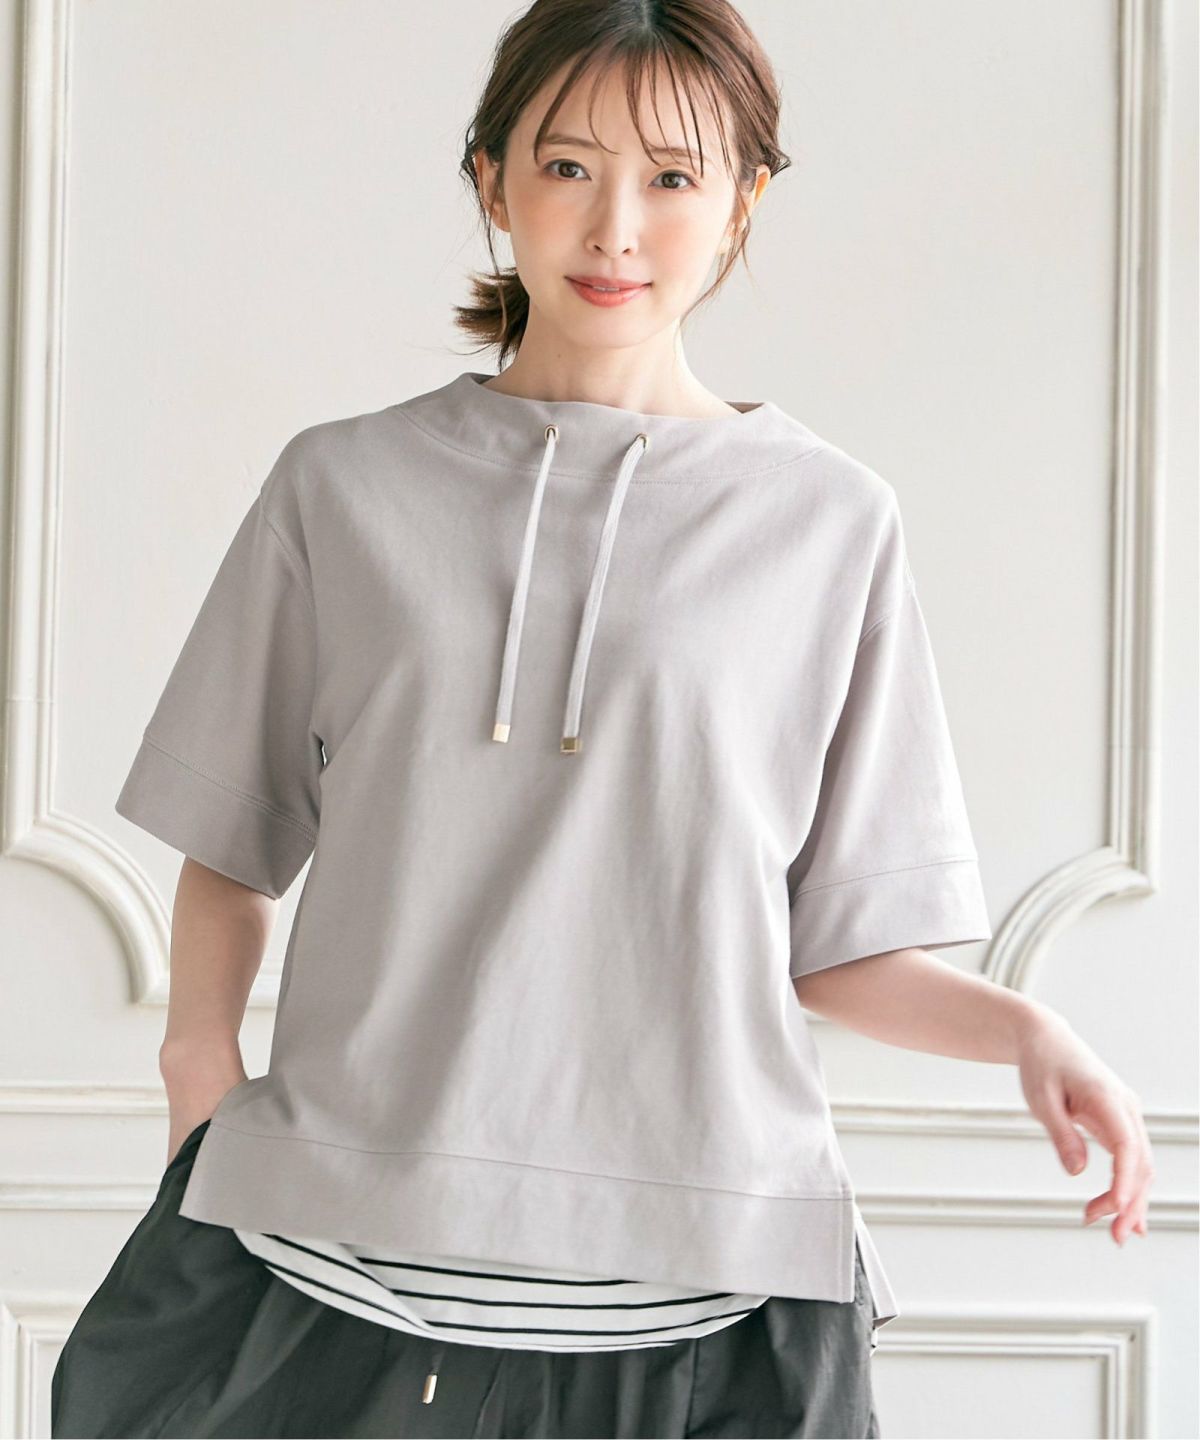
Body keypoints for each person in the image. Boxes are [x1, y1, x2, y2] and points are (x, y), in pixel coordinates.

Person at [51, 1, 1155, 1436]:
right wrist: (198, 1063)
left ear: (745, 200)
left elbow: (839, 949)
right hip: (320, 1277)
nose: (615, 228)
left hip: (702, 1307)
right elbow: (231, 836)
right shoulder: (341, 487)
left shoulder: (830, 524)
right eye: (567, 166)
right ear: (491, 178)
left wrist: (1030, 1032)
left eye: (674, 178)